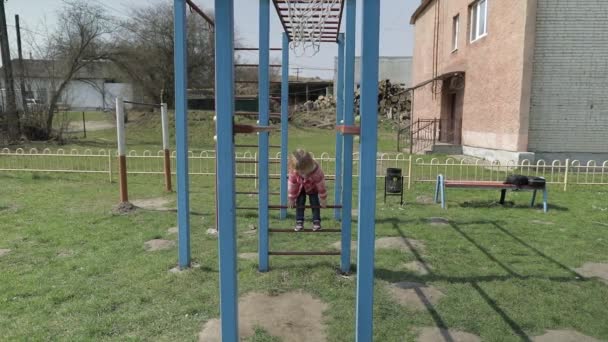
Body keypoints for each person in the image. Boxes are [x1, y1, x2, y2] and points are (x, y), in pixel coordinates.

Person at [288, 149, 327, 231]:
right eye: (300, 172)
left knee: (314, 201)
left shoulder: (317, 172)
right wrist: (292, 198)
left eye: (304, 171)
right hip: (300, 187)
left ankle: (316, 221)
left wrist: (323, 199)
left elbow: (321, 186)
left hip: (313, 187)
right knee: (300, 200)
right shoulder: (294, 172)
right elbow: (293, 185)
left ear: (309, 166)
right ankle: (299, 221)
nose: (303, 174)